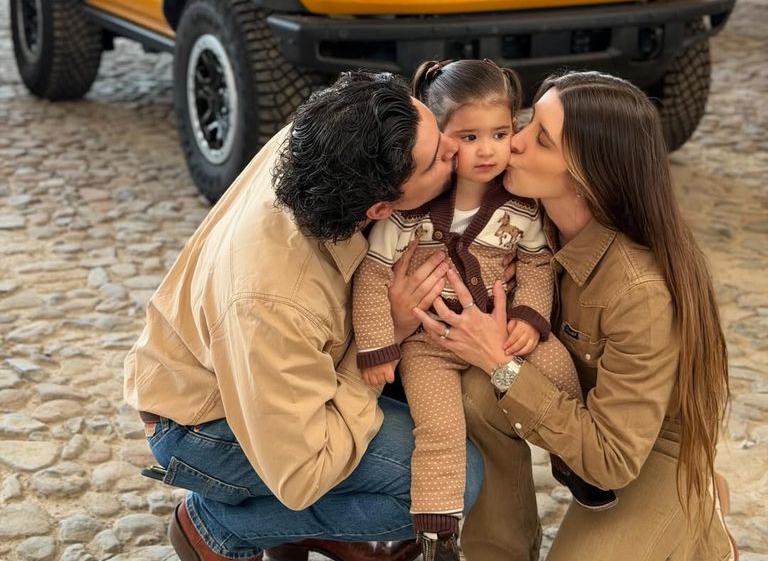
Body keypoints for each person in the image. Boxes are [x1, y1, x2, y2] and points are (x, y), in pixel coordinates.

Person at [124, 70, 487, 561]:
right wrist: (387, 335)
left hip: (263, 382)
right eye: (436, 160)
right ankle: (218, 527)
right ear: (380, 208)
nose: (453, 148)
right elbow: (305, 473)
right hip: (204, 426)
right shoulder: (273, 304)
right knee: (450, 481)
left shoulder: (330, 132)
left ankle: (307, 526)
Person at [414, 70, 737, 561]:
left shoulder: (638, 291)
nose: (512, 144)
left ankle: (700, 516)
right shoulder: (524, 217)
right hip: (571, 402)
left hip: (645, 452)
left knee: (492, 373)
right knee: (474, 392)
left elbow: (612, 459)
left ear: (588, 176)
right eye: (524, 124)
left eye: (539, 139)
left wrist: (501, 361)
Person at [352, 60, 614, 560]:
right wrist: (377, 346)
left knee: (558, 366)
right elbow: (373, 276)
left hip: (502, 330)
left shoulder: (519, 205)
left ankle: (572, 459)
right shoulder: (409, 214)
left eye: (500, 132)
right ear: (443, 141)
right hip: (430, 345)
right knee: (438, 429)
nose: (488, 149)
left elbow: (537, 264)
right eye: (469, 138)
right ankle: (437, 531)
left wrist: (531, 319)